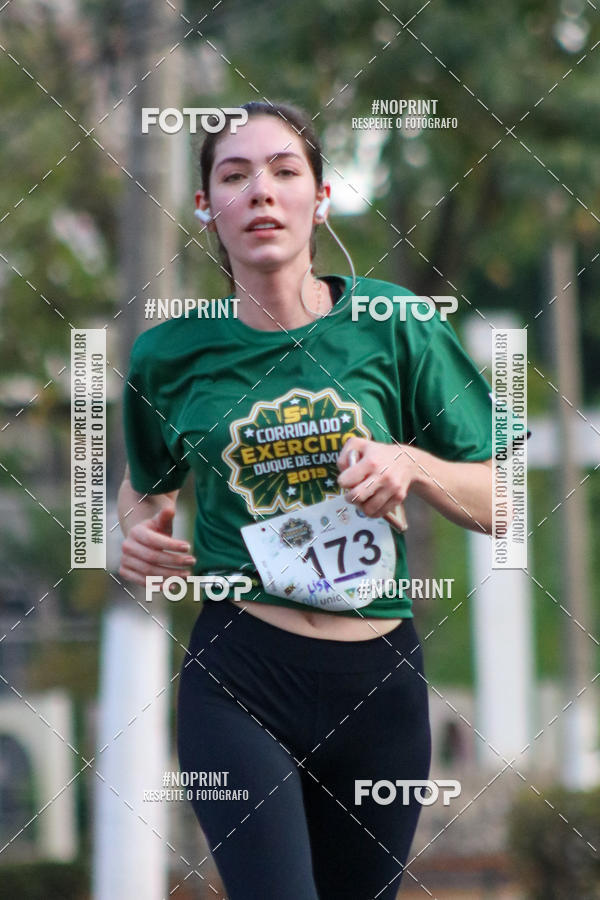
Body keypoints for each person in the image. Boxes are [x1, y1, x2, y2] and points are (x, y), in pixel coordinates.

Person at [118, 100, 494, 899]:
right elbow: (142, 490)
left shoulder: (395, 324)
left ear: (320, 198)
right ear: (206, 207)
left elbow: (508, 500)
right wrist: (133, 534)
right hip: (240, 675)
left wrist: (410, 464)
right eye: (235, 175)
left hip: (379, 682)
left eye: (285, 171)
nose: (261, 191)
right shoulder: (167, 355)